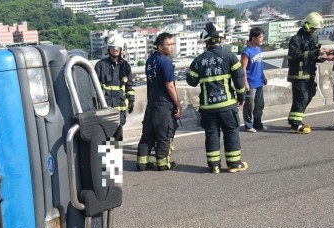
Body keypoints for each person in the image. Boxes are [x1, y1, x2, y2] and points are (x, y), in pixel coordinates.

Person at [186, 23, 248, 174]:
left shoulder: (199, 60)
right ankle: (234, 164)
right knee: (231, 131)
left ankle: (214, 165)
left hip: (208, 107)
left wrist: (191, 72)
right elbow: (239, 79)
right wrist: (241, 96)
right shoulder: (229, 56)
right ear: (219, 39)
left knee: (211, 133)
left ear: (206, 42)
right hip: (227, 104)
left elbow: (191, 81)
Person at [136, 32, 183, 171]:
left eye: (172, 44)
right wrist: (178, 104)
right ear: (160, 46)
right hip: (163, 104)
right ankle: (163, 163)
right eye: (168, 45)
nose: (171, 47)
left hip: (151, 103)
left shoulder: (150, 60)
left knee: (148, 135)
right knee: (164, 135)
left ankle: (142, 163)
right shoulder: (165, 62)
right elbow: (169, 85)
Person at [286, 12, 329, 134]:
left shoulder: (313, 38)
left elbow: (311, 55)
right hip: (298, 75)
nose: (314, 30)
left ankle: (294, 119)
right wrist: (315, 53)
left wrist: (319, 57)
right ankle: (296, 125)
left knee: (310, 95)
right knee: (301, 98)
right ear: (307, 25)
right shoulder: (296, 39)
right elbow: (295, 55)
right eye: (313, 28)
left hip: (309, 74)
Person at [94, 34, 135, 141]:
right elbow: (94, 86)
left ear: (121, 49)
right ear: (108, 49)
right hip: (105, 106)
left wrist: (131, 101)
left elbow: (129, 85)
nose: (115, 50)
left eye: (117, 48)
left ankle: (114, 158)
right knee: (106, 135)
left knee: (117, 135)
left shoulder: (125, 66)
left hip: (120, 107)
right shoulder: (101, 65)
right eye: (112, 48)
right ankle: (108, 158)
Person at [241, 27, 268, 132]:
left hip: (259, 81)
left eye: (262, 37)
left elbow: (259, 65)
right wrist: (245, 82)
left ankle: (258, 123)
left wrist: (263, 76)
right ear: (253, 38)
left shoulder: (258, 49)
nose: (262, 39)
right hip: (251, 82)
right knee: (249, 104)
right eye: (260, 37)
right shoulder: (247, 51)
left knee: (259, 104)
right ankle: (248, 125)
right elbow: (243, 68)